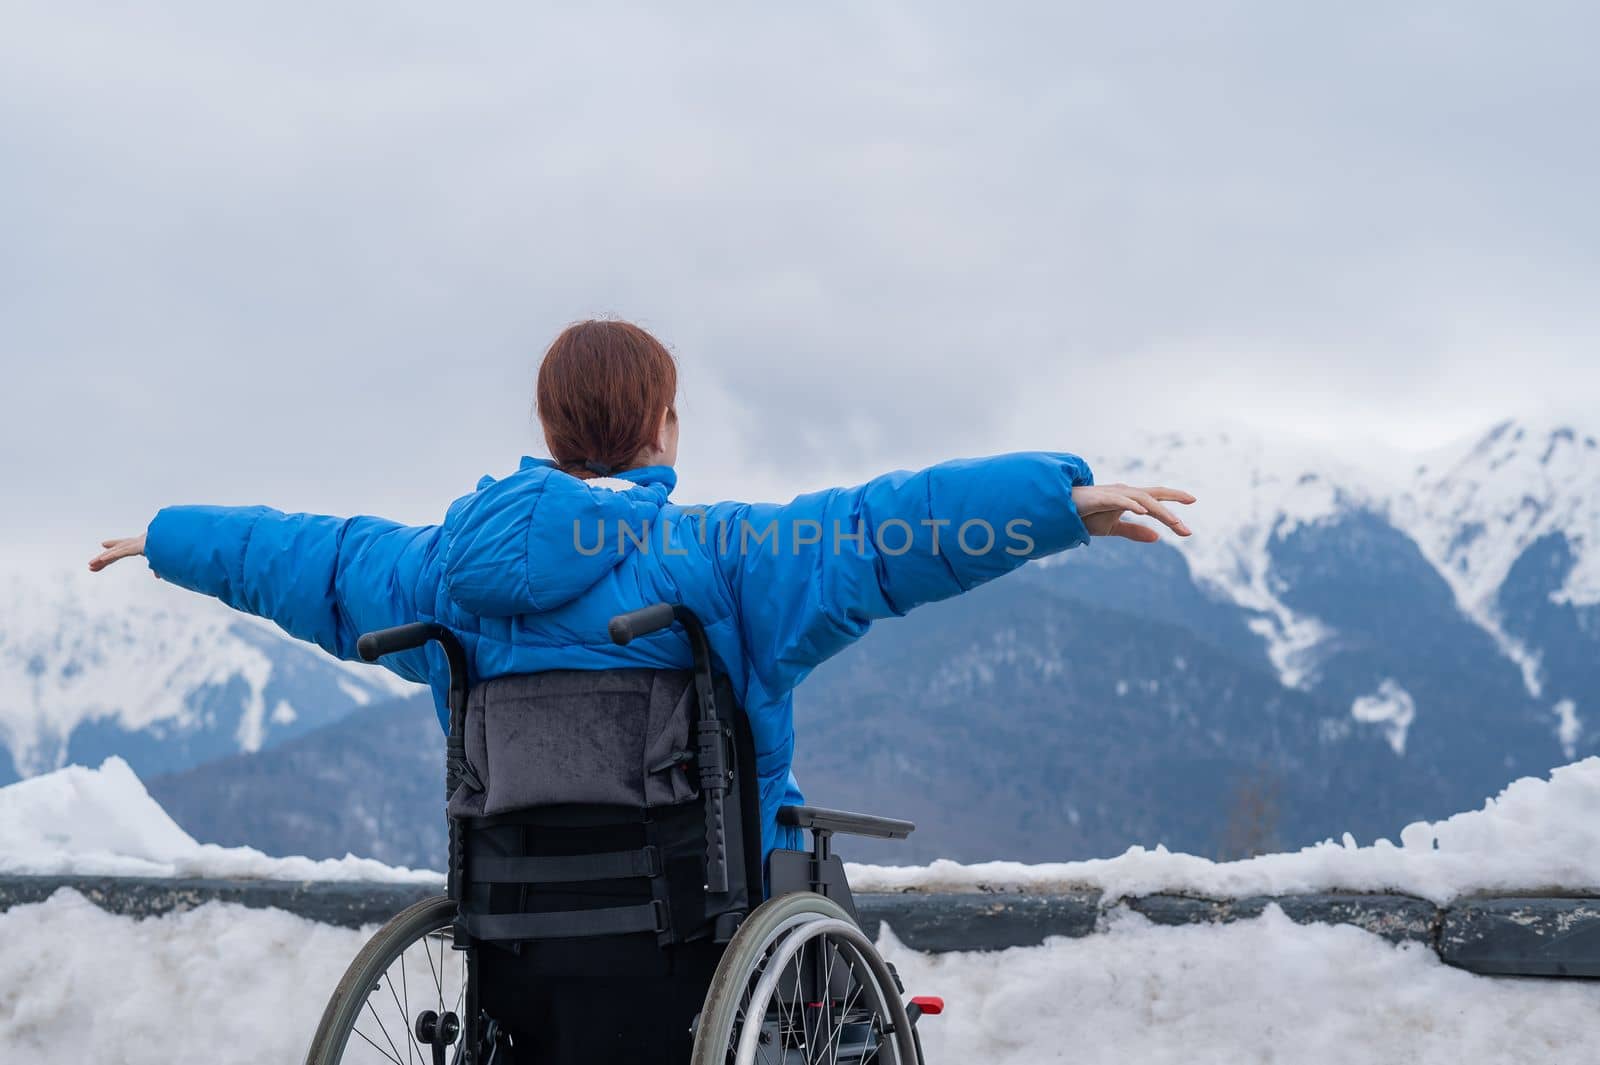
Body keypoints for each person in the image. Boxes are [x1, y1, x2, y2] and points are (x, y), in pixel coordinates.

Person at [91, 318, 1194, 1059]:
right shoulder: (721, 559)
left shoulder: (442, 576)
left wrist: (168, 537)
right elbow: (884, 531)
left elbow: (312, 562)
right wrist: (1061, 500)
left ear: (549, 431)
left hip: (519, 958)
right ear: (661, 428)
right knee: (805, 865)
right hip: (707, 946)